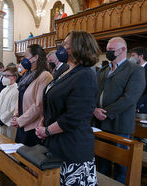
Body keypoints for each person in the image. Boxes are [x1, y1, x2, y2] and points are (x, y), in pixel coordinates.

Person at [35, 31, 99, 186]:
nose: (61, 47)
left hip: (72, 148)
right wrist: (43, 122)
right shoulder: (64, 70)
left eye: (64, 44)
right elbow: (50, 99)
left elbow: (75, 116)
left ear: (77, 48)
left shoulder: (85, 75)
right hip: (55, 142)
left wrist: (48, 130)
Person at [92, 37, 145, 184]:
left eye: (111, 50)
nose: (108, 52)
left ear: (123, 50)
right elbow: (93, 92)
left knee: (122, 165)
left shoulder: (135, 71)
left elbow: (129, 98)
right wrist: (94, 109)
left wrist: (105, 113)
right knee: (102, 162)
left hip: (119, 123)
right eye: (107, 50)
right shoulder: (103, 70)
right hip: (99, 122)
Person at [10, 44, 53, 146]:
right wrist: (16, 115)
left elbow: (39, 106)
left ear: (36, 57)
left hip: (33, 127)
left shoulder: (45, 76)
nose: (23, 60)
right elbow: (20, 96)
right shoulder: (27, 74)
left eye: (26, 56)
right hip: (22, 124)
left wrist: (20, 120)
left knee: (27, 159)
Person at [0, 66, 19, 140]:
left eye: (7, 76)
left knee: (8, 142)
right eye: (4, 75)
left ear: (14, 77)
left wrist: (1, 120)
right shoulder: (4, 90)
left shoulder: (17, 90)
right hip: (0, 122)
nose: (4, 78)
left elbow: (13, 110)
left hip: (8, 124)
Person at [130, 47, 147, 113]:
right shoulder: (134, 70)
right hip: (132, 106)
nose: (131, 58)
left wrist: (139, 105)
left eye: (133, 55)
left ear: (141, 56)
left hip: (143, 107)